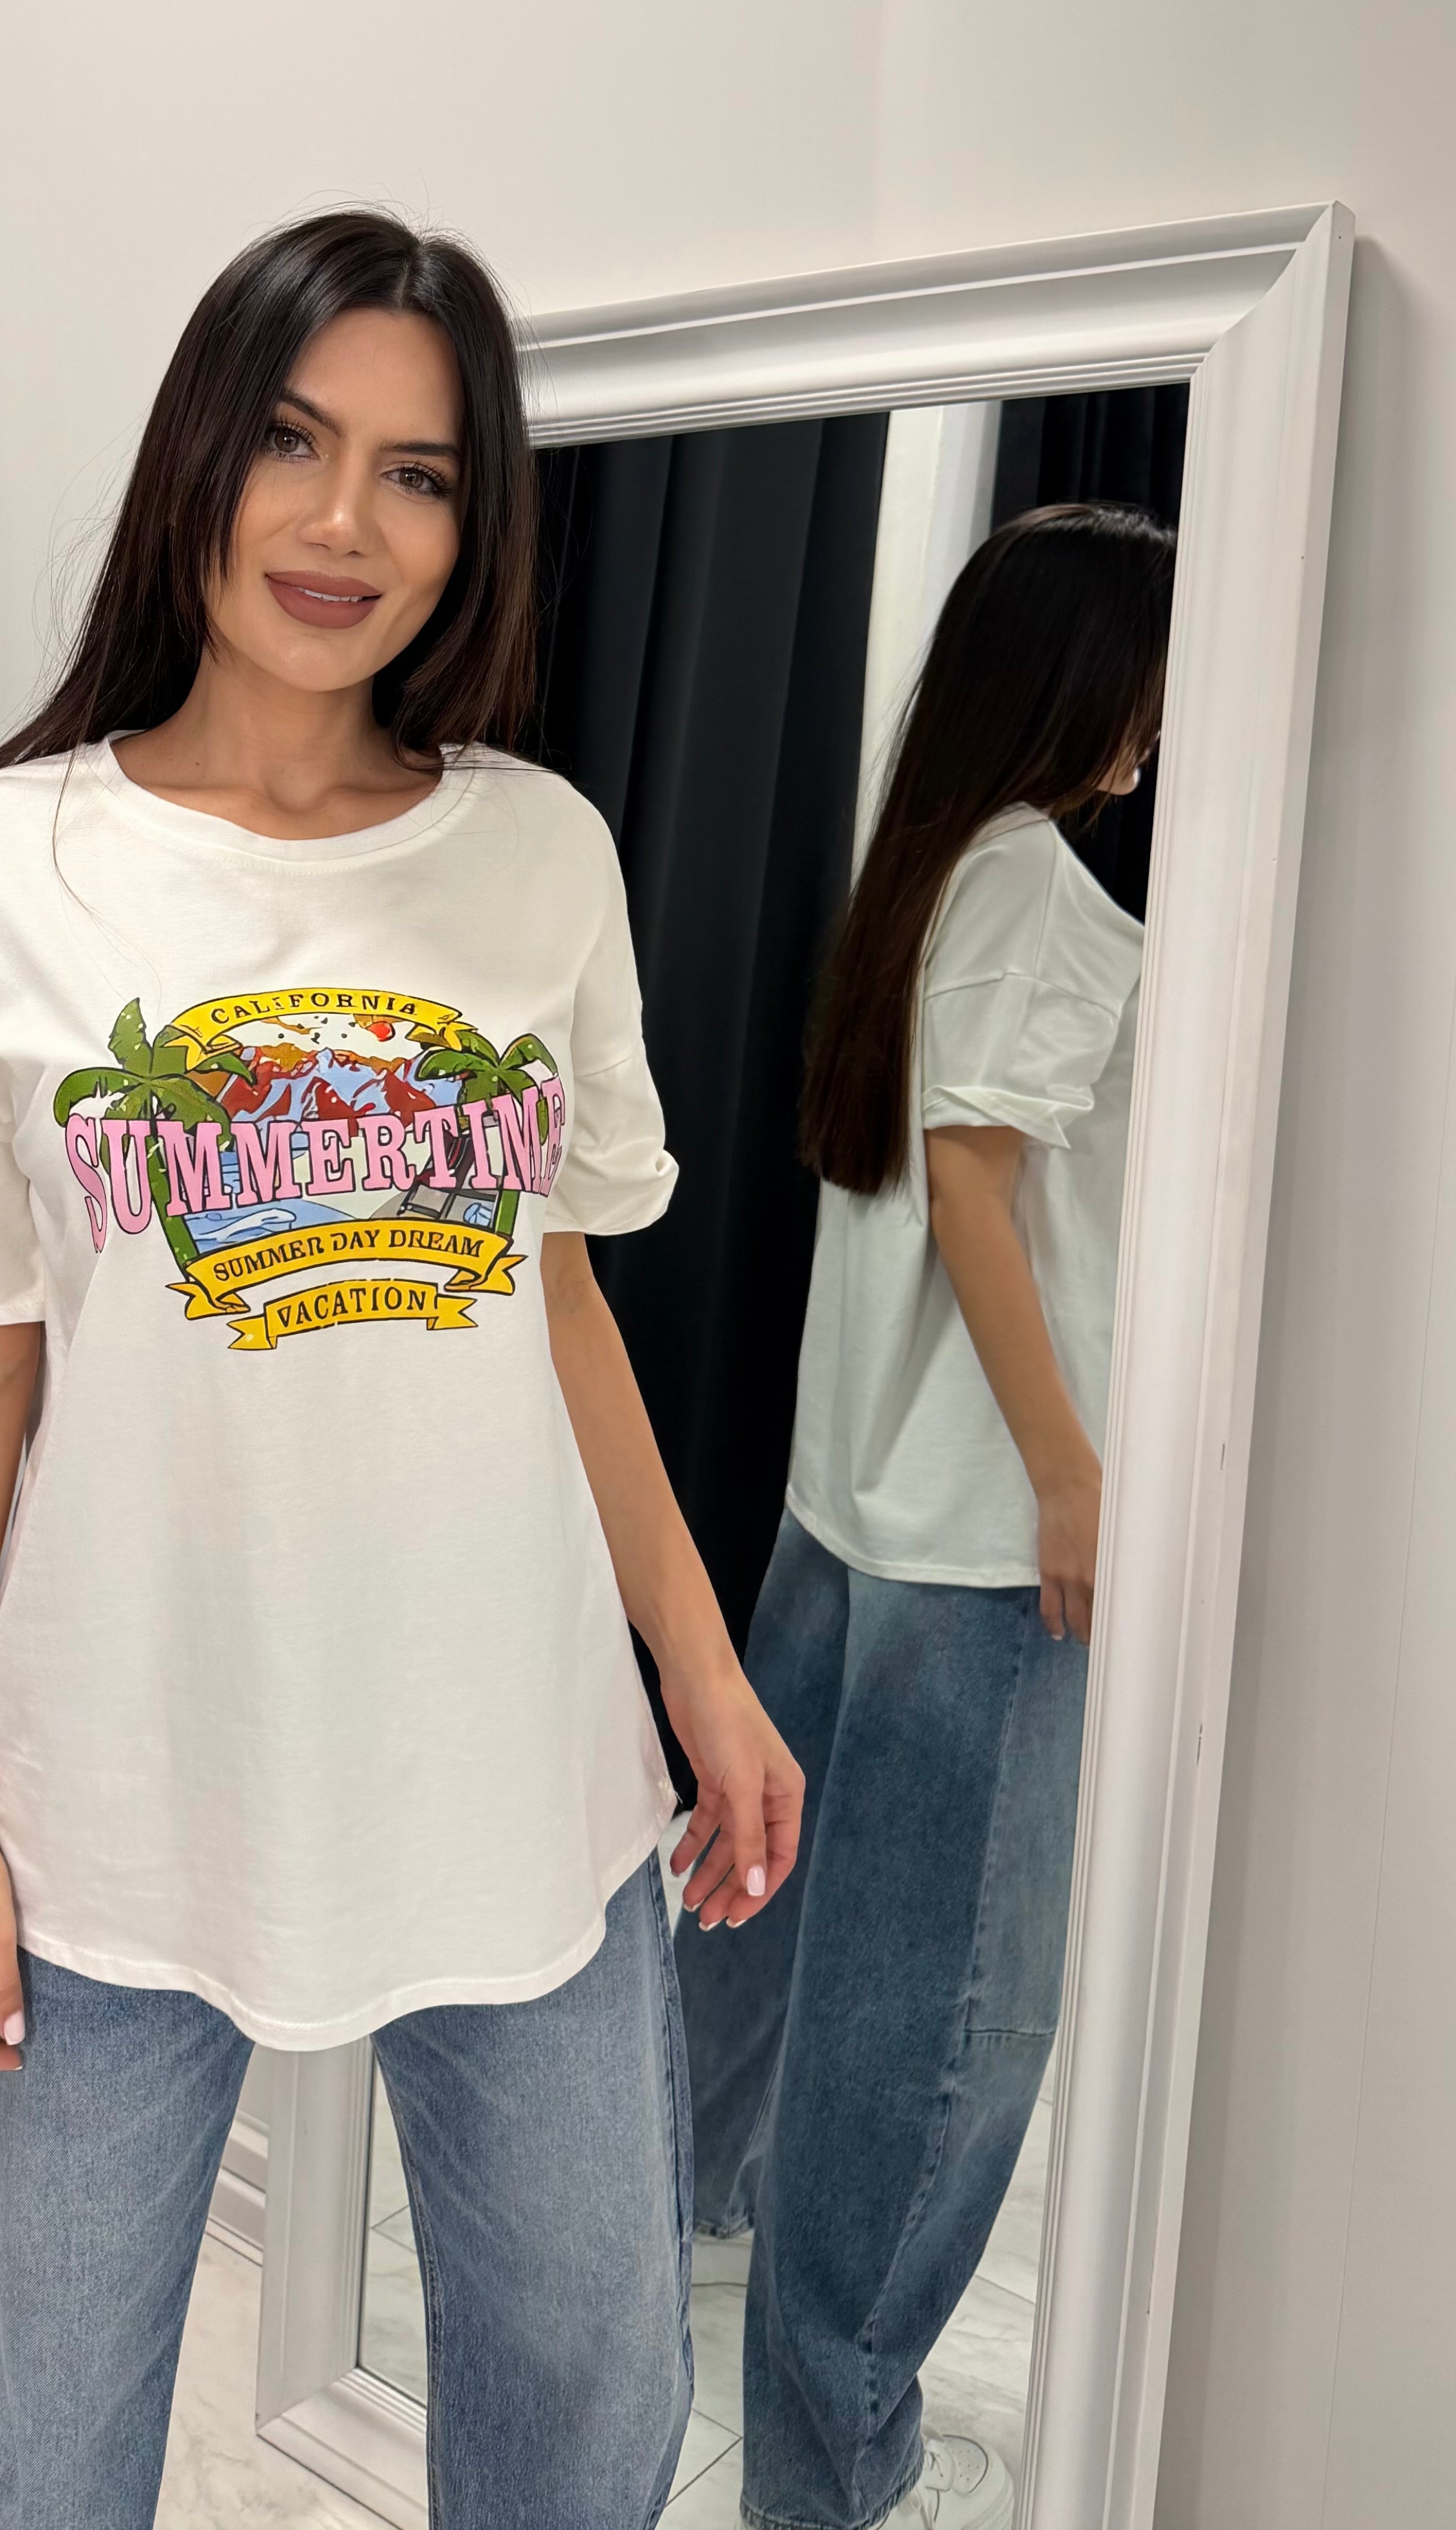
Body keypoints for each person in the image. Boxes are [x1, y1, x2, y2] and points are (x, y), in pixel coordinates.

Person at [0, 209, 803, 2530]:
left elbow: (549, 1295)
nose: (345, 524)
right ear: (198, 460)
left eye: (419, 474)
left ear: (476, 519)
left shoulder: (537, 858)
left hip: (515, 1774)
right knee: (18, 2432)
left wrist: (702, 1675)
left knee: (587, 2394)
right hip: (118, 1788)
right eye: (293, 444)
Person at [673, 505, 1176, 2530]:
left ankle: (669, 2223)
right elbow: (974, 1182)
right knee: (942, 2019)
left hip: (858, 1490)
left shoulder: (932, 864)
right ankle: (831, 2464)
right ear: (1080, 679)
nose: (1160, 719)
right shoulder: (1032, 880)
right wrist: (1073, 1472)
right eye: (1147, 677)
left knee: (763, 1903)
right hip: (975, 1532)